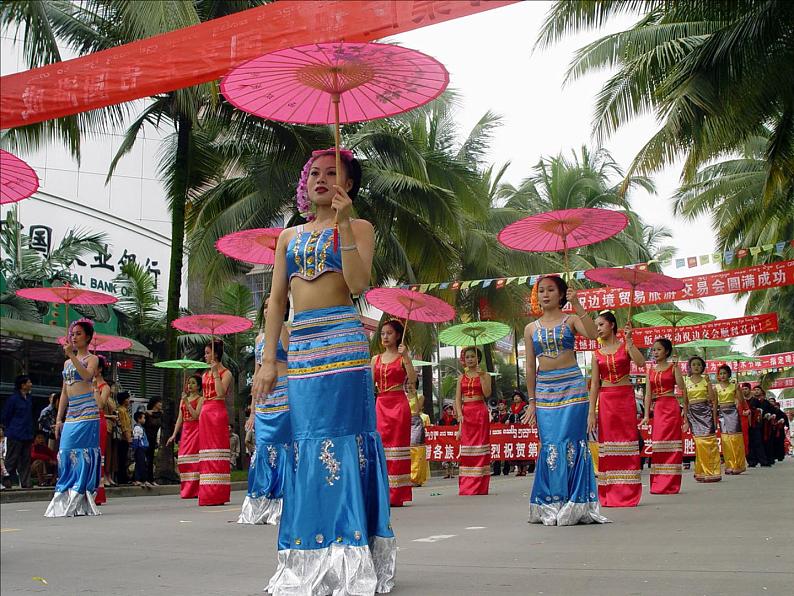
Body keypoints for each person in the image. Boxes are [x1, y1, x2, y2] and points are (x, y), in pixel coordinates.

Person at [253, 148, 395, 594]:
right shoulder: (288, 237)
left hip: (345, 344)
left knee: (347, 441)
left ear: (348, 185)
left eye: (332, 173)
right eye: (314, 172)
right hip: (304, 351)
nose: (320, 178)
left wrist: (346, 223)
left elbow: (357, 284)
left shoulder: (360, 227)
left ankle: (354, 552)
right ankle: (308, 554)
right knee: (306, 442)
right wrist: (269, 362)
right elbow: (277, 301)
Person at [523, 275, 608, 525]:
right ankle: (550, 502)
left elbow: (594, 335)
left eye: (551, 290)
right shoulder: (531, 329)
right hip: (545, 389)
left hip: (572, 386)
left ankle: (576, 502)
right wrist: (531, 400)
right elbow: (529, 365)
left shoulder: (571, 320)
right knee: (550, 443)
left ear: (561, 295)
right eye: (541, 291)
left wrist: (578, 304)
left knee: (572, 443)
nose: (545, 295)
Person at [239, 297, 291, 525]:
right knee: (262, 448)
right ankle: (259, 503)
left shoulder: (287, 332)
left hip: (284, 395)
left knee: (283, 449)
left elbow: (293, 361)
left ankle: (282, 503)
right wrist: (252, 411)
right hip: (264, 400)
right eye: (267, 306)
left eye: (275, 305)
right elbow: (257, 374)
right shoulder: (259, 338)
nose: (270, 309)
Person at [46, 320, 104, 517]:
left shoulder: (92, 359)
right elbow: (64, 391)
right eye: (72, 333)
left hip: (88, 411)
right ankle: (65, 492)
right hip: (72, 412)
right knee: (65, 451)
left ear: (87, 337)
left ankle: (80, 493)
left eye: (78, 333)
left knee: (83, 453)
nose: (74, 336)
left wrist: (72, 354)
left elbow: (87, 376)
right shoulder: (66, 363)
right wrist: (59, 418)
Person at [587, 311, 645, 507]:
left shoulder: (625, 347)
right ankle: (610, 492)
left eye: (601, 324)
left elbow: (641, 363)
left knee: (626, 443)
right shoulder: (596, 354)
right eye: (597, 326)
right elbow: (594, 384)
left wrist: (629, 341)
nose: (598, 329)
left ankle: (628, 492)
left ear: (612, 325)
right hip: (606, 401)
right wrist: (591, 413)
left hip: (625, 399)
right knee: (609, 445)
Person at [372, 319, 415, 506]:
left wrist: (406, 357)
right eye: (382, 333)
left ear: (398, 335)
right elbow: (368, 383)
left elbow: (412, 380)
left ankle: (397, 494)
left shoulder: (403, 357)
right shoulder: (376, 359)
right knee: (381, 446)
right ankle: (382, 492)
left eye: (389, 333)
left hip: (399, 404)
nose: (385, 337)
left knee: (398, 448)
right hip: (381, 404)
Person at [639, 338, 688, 495]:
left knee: (672, 445)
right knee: (659, 445)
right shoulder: (650, 370)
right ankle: (658, 483)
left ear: (666, 351)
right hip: (659, 408)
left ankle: (671, 484)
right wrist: (646, 415)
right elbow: (647, 394)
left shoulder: (673, 367)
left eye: (659, 349)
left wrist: (677, 367)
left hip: (671, 406)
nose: (655, 352)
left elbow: (682, 387)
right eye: (654, 350)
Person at [455, 346, 492, 496]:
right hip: (466, 414)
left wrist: (482, 377)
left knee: (480, 447)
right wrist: (459, 414)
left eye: (472, 356)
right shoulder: (460, 378)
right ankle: (467, 485)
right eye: (467, 357)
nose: (470, 359)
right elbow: (458, 398)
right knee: (467, 449)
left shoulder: (485, 374)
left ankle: (480, 485)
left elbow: (487, 393)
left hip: (479, 412)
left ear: (478, 359)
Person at [199, 339, 232, 506]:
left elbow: (220, 393)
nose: (205, 356)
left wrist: (215, 374)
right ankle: (206, 492)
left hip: (217, 412)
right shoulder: (204, 374)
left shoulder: (226, 373)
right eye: (205, 353)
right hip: (205, 413)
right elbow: (205, 396)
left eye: (207, 353)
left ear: (216, 354)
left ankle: (218, 493)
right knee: (206, 450)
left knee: (217, 450)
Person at [166, 374, 203, 498]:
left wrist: (187, 403)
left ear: (198, 386)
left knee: (194, 461)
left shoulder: (200, 399)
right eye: (188, 383)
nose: (190, 385)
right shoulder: (183, 399)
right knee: (183, 460)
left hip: (195, 430)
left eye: (193, 383)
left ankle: (195, 490)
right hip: (186, 431)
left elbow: (196, 416)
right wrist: (174, 434)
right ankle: (186, 489)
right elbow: (179, 419)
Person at [684, 356, 721, 483]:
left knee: (709, 442)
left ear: (703, 367)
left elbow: (711, 398)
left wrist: (709, 383)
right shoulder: (686, 381)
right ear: (690, 366)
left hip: (705, 412)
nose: (696, 367)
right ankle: (701, 471)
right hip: (693, 414)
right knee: (699, 443)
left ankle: (712, 472)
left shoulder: (706, 380)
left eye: (699, 365)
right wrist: (685, 420)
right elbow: (685, 402)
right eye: (693, 364)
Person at [2, 374, 34, 489]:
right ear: (23, 385)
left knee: (25, 459)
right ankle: (5, 480)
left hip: (27, 433)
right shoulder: (13, 399)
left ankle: (26, 482)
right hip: (15, 433)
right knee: (12, 458)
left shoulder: (29, 398)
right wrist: (10, 428)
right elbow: (6, 416)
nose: (31, 384)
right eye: (28, 382)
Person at [94, 356, 114, 504]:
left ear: (99, 369)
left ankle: (97, 493)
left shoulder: (105, 387)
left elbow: (100, 405)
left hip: (98, 422)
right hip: (86, 420)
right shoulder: (84, 383)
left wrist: (94, 388)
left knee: (97, 457)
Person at [508, 391, 531, 476]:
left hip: (523, 431)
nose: (516, 398)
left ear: (521, 398)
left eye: (517, 396)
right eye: (514, 397)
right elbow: (508, 416)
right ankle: (518, 469)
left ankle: (524, 469)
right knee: (516, 450)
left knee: (523, 449)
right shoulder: (511, 408)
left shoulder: (525, 406)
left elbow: (528, 416)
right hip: (514, 432)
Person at [143, 396, 162, 486]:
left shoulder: (161, 414)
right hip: (147, 437)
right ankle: (145, 478)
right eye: (159, 402)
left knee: (151, 458)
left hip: (155, 438)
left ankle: (151, 479)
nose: (161, 404)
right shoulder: (147, 414)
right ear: (154, 403)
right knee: (146, 458)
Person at [115, 391, 133, 484]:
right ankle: (122, 478)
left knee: (125, 458)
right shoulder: (121, 411)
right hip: (123, 438)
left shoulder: (125, 410)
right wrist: (128, 437)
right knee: (122, 458)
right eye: (127, 399)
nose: (129, 400)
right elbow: (124, 425)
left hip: (126, 436)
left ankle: (124, 477)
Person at [438, 402, 458, 479]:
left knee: (453, 454)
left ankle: (452, 472)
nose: (449, 411)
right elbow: (439, 430)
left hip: (453, 440)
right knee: (445, 455)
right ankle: (446, 473)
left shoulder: (454, 420)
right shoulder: (441, 421)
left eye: (450, 410)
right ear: (445, 411)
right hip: (444, 440)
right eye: (448, 410)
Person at [491, 400, 511, 476]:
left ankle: (506, 470)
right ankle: (496, 470)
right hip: (497, 437)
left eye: (502, 404)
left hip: (506, 437)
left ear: (505, 406)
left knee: (507, 452)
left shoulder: (509, 415)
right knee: (497, 452)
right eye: (499, 405)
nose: (500, 406)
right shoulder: (496, 416)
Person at [131, 411, 150, 487]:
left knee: (141, 464)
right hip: (139, 448)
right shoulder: (137, 428)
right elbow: (136, 439)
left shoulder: (141, 428)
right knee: (141, 464)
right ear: (139, 419)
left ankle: (139, 479)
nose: (144, 419)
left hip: (142, 448)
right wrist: (135, 448)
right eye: (143, 418)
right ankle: (140, 479)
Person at [738, 382, 752, 455]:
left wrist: (747, 412)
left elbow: (748, 409)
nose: (744, 391)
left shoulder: (743, 400)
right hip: (733, 422)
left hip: (744, 423)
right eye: (742, 389)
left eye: (746, 389)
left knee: (745, 440)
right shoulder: (730, 400)